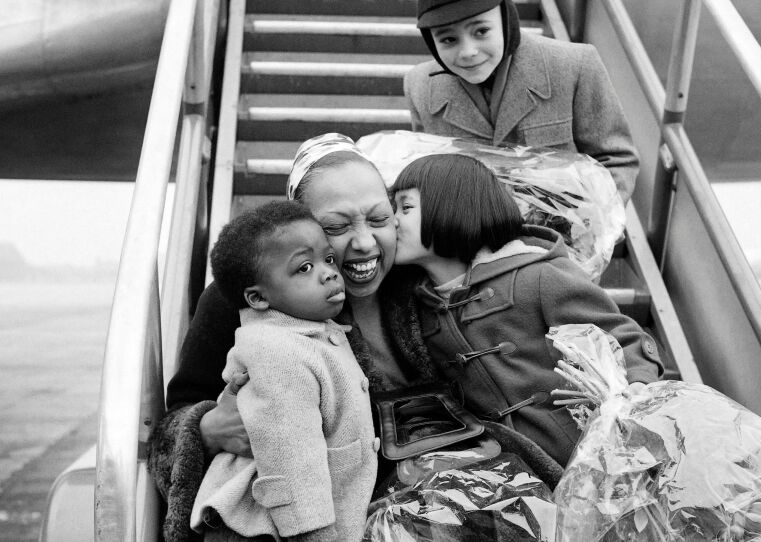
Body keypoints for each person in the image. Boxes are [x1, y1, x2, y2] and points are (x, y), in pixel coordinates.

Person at [148, 133, 566, 542]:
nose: (365, 243)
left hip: (456, 481)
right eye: (335, 226)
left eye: (380, 219)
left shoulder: (420, 272)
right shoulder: (247, 299)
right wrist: (204, 428)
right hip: (336, 506)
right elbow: (176, 417)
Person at [389, 153, 663, 466]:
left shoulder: (539, 276)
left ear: (451, 206)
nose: (393, 219)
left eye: (406, 207)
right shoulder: (417, 311)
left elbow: (623, 338)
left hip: (593, 457)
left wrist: (633, 395)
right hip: (512, 477)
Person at [189, 201, 376, 541]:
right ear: (258, 298)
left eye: (328, 259)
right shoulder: (277, 353)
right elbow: (293, 464)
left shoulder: (306, 332)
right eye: (304, 267)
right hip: (264, 528)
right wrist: (316, 536)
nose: (329, 272)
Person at [404, 0, 640, 203]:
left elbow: (616, 160)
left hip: (561, 246)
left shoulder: (573, 65)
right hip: (468, 248)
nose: (468, 51)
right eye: (448, 39)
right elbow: (427, 176)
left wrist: (592, 232)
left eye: (481, 31)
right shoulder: (419, 86)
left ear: (507, 20)